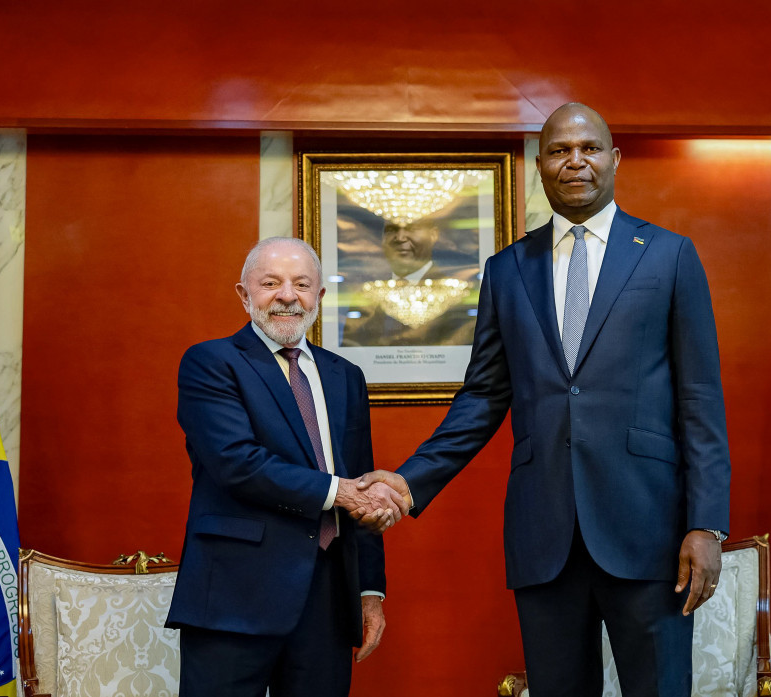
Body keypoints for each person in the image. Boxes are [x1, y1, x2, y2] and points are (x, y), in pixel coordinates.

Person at [359, 103, 732, 697]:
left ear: (614, 159)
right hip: (544, 534)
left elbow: (700, 399)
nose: (575, 161)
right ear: (540, 166)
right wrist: (409, 483)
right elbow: (483, 395)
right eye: (560, 151)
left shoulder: (668, 255)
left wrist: (707, 524)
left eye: (589, 148)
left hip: (649, 529)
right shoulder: (507, 269)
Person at [166, 237, 408, 697]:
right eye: (271, 283)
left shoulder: (346, 376)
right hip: (235, 592)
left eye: (301, 284)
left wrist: (369, 591)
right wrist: (341, 492)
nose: (287, 295)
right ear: (244, 294)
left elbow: (361, 477)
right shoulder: (211, 363)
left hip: (328, 598)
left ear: (319, 297)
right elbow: (237, 463)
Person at [340, 218, 478, 347]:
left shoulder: (461, 297)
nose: (400, 238)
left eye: (412, 228)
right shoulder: (365, 296)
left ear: (433, 235)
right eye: (392, 229)